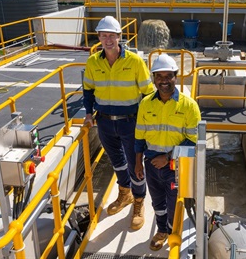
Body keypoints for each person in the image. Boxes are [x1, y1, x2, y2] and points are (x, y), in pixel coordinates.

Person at [82, 16, 154, 230]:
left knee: (135, 165)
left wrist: (147, 121)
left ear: (119, 37)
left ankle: (139, 201)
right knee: (117, 161)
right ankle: (125, 194)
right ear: (99, 38)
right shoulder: (93, 62)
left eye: (111, 35)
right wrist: (88, 113)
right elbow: (88, 90)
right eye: (103, 35)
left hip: (130, 123)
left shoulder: (134, 61)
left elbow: (148, 93)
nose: (107, 39)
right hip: (104, 122)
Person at [134, 53, 201, 251]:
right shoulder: (146, 104)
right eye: (159, 76)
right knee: (157, 202)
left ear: (176, 77)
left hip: (176, 166)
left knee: (174, 204)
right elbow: (139, 137)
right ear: (154, 78)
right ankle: (162, 230)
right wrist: (138, 163)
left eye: (168, 76)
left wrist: (169, 157)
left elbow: (193, 141)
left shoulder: (189, 106)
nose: (163, 81)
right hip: (151, 164)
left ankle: (173, 233)